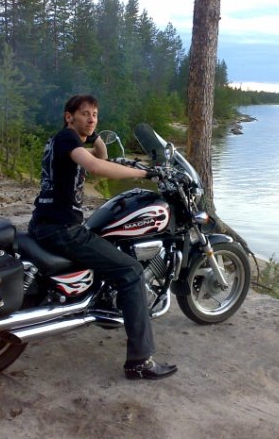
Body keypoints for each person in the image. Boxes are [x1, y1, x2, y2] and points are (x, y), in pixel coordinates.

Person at [28, 94, 177, 380]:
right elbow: (98, 168)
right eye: (85, 113)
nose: (92, 118)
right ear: (69, 116)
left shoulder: (62, 141)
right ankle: (140, 361)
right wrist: (145, 173)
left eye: (95, 114)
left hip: (45, 223)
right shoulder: (67, 138)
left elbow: (102, 157)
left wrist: (94, 136)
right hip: (62, 229)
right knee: (131, 271)